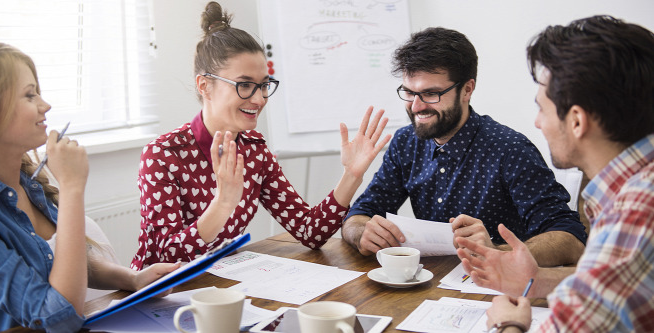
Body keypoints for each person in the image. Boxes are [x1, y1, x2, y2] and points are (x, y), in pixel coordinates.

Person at [130, 1, 390, 270]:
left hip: (223, 287)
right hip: (159, 298)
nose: (259, 98)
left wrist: (351, 175)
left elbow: (310, 232)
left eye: (264, 85)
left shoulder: (254, 150)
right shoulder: (163, 154)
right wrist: (221, 205)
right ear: (205, 86)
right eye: (244, 85)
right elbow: (165, 258)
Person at [456, 15, 654, 332]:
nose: (537, 123)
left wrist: (509, 324)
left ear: (576, 121)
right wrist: (537, 280)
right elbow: (609, 278)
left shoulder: (636, 214)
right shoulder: (634, 189)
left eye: (541, 108)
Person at [341, 27, 587, 267]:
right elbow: (359, 215)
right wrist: (361, 232)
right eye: (409, 92)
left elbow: (571, 240)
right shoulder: (406, 142)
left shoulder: (510, 149)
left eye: (431, 94)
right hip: (430, 286)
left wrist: (497, 253)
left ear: (467, 89)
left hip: (499, 292)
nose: (416, 107)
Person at [0, 40, 179, 332]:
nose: (45, 105)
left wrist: (132, 279)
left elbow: (59, 261)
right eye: (30, 95)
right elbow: (59, 317)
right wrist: (73, 187)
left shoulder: (26, 182)